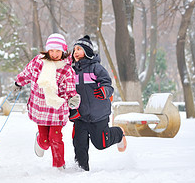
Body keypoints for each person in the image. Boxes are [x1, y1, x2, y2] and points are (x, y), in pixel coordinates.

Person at [12, 33, 80, 169]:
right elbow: (27, 73)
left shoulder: (66, 69)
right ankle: (40, 139)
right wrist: (18, 83)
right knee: (45, 142)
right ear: (47, 50)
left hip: (57, 110)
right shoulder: (38, 61)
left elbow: (70, 87)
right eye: (52, 50)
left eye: (58, 51)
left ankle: (59, 166)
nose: (54, 54)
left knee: (55, 138)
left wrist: (72, 97)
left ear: (63, 51)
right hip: (40, 109)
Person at [70, 35, 127, 171]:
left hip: (98, 114)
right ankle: (81, 168)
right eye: (74, 49)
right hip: (80, 115)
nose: (75, 52)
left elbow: (108, 84)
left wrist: (104, 91)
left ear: (87, 51)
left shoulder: (96, 68)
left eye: (79, 49)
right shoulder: (71, 71)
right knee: (79, 143)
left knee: (101, 143)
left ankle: (119, 133)